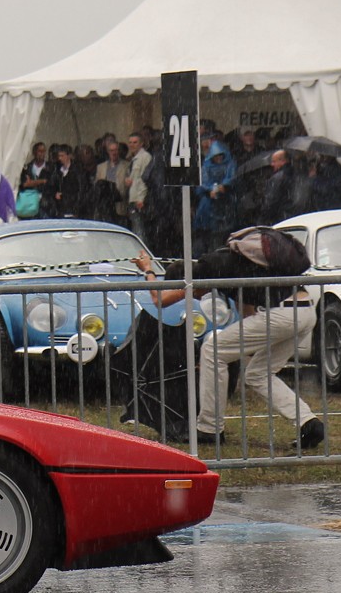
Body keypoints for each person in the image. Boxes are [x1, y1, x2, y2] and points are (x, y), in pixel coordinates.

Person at [139, 228, 323, 450]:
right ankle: (309, 424)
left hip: (282, 314)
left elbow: (160, 299)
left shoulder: (207, 267)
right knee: (258, 374)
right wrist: (241, 348)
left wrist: (148, 270)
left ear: (186, 280)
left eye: (189, 291)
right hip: (304, 312)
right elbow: (248, 313)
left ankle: (208, 429)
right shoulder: (232, 265)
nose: (195, 296)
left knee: (212, 350)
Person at [46, 145, 89, 219]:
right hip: (59, 209)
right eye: (59, 156)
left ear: (69, 156)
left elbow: (81, 191)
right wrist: (55, 194)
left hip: (73, 209)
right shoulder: (56, 170)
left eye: (62, 156)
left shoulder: (78, 171)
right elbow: (51, 186)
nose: (60, 158)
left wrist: (77, 209)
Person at [123, 132, 153, 241]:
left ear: (141, 143)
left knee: (140, 231)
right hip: (132, 197)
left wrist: (141, 199)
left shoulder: (145, 157)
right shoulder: (133, 159)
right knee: (136, 229)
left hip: (139, 200)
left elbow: (144, 180)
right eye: (130, 142)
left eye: (135, 142)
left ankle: (142, 254)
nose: (132, 145)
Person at [18, 143, 51, 218]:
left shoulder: (50, 168)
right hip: (30, 206)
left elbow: (51, 183)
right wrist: (42, 181)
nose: (42, 154)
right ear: (34, 152)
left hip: (45, 206)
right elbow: (24, 184)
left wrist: (32, 183)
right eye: (40, 151)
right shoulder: (27, 168)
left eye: (44, 151)